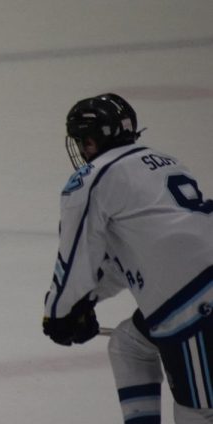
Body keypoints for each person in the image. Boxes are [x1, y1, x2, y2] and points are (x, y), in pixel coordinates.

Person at [42, 92, 213, 423]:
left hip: (194, 306)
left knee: (200, 414)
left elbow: (77, 254)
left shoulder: (93, 179)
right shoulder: (164, 161)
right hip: (196, 291)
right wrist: (85, 303)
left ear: (91, 140)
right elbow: (133, 259)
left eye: (83, 140)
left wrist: (60, 314)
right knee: (129, 344)